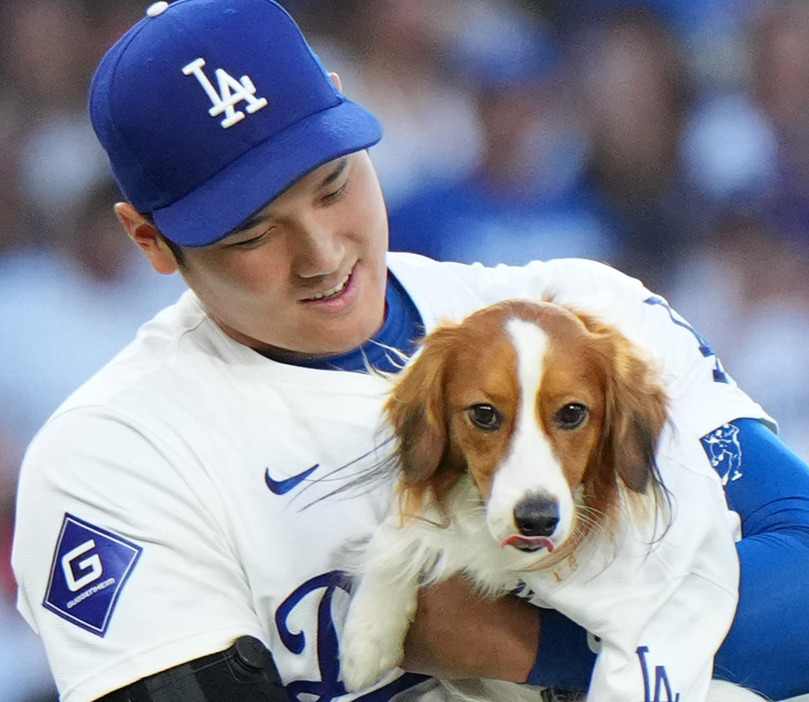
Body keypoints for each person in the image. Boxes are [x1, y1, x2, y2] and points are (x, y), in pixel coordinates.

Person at [10, 1, 809, 701]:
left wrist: (521, 647)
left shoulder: (577, 314)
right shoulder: (114, 459)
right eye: (253, 232)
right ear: (149, 240)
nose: (323, 253)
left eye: (333, 185)